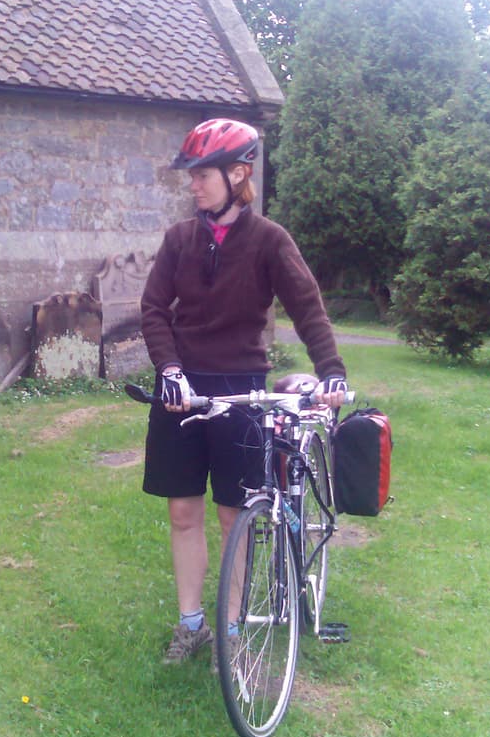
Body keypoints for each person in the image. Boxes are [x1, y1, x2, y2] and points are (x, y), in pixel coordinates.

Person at [140, 117, 349, 664]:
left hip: (240, 392)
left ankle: (231, 630)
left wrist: (332, 371)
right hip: (182, 392)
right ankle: (192, 626)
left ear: (238, 174)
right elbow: (154, 309)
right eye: (190, 176)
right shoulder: (180, 239)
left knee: (234, 515)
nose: (192, 184)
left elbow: (308, 307)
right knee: (183, 512)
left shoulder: (269, 241)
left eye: (201, 174)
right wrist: (168, 369)